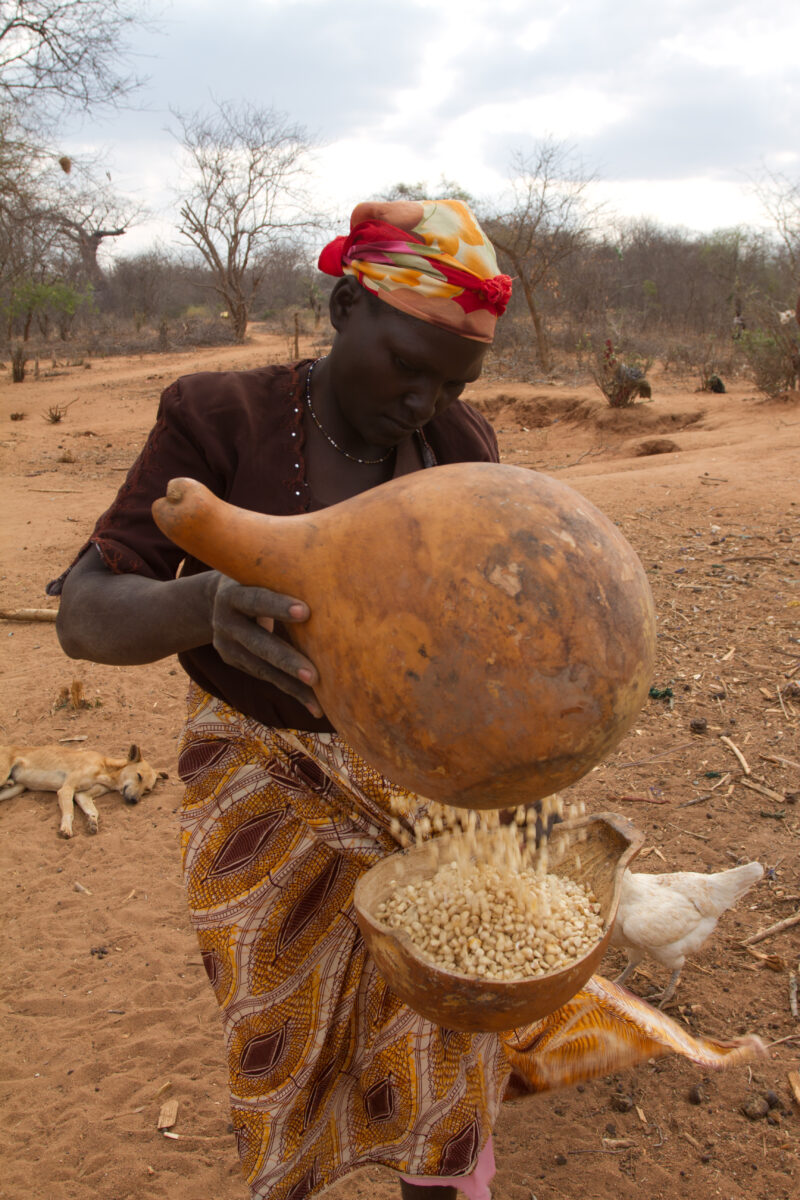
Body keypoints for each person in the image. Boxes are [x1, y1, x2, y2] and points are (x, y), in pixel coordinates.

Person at [51, 199, 760, 1200]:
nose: (426, 399)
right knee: (278, 1027)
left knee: (443, 1020)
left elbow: (492, 611)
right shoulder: (219, 419)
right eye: (409, 367)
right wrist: (202, 602)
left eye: (453, 380)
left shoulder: (459, 444)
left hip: (434, 778)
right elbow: (87, 612)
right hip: (262, 778)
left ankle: (445, 1170)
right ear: (345, 306)